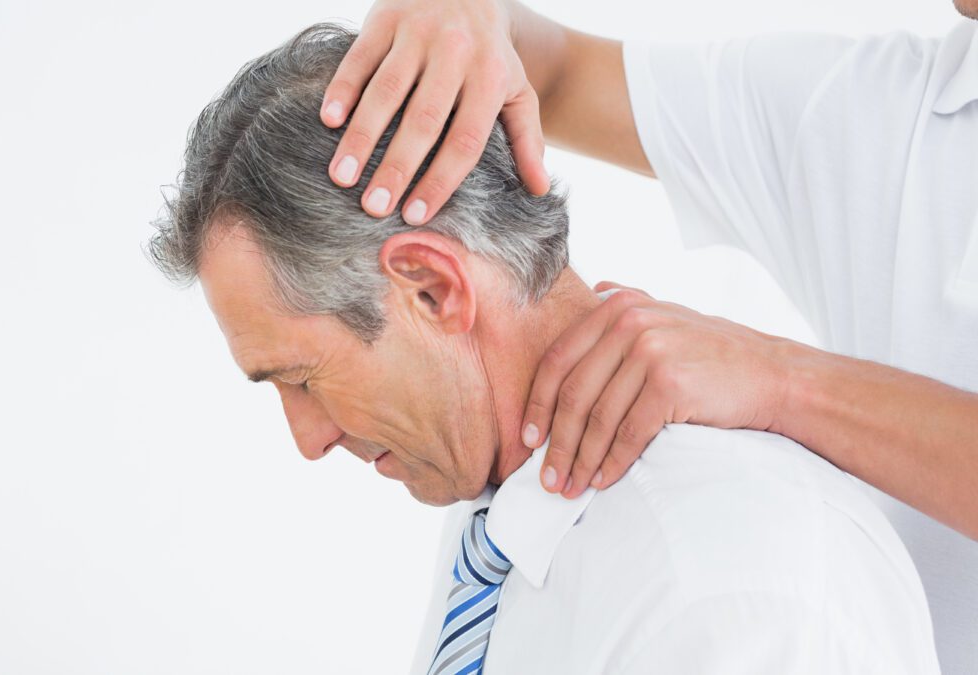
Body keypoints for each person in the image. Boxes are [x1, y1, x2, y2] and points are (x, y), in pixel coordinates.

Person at [148, 24, 941, 673]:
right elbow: (540, 61)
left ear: (431, 288)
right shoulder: (503, 524)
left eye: (303, 378)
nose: (308, 439)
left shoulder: (725, 586)